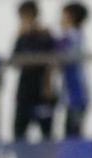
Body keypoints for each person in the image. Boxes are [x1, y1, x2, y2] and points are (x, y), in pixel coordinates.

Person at [10, 1, 56, 141]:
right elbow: (14, 61)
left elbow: (51, 61)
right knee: (19, 131)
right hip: (24, 91)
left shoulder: (45, 36)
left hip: (42, 91)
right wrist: (21, 36)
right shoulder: (21, 37)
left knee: (46, 131)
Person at [57, 3, 90, 138]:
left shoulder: (72, 36)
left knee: (73, 134)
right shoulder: (75, 36)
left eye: (62, 16)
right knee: (71, 131)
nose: (59, 19)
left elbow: (56, 51)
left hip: (76, 94)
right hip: (73, 94)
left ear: (70, 17)